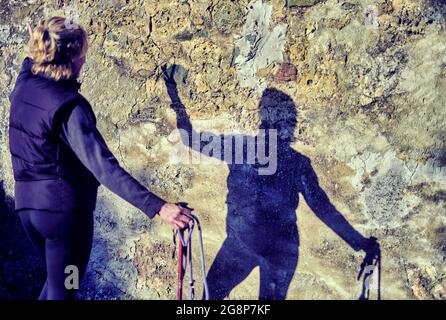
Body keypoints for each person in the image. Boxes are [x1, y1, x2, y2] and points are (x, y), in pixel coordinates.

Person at [8, 17, 191, 300]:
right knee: (66, 289)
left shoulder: (24, 84)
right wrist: (158, 207)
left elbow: (28, 60)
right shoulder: (69, 108)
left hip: (28, 213)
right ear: (69, 59)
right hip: (63, 218)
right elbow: (104, 167)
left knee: (56, 285)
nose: (84, 62)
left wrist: (36, 40)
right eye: (81, 56)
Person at [163, 65, 380, 300]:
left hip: (268, 250)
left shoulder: (246, 150)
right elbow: (322, 207)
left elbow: (322, 207)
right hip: (257, 249)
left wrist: (173, 94)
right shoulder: (252, 151)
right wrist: (360, 243)